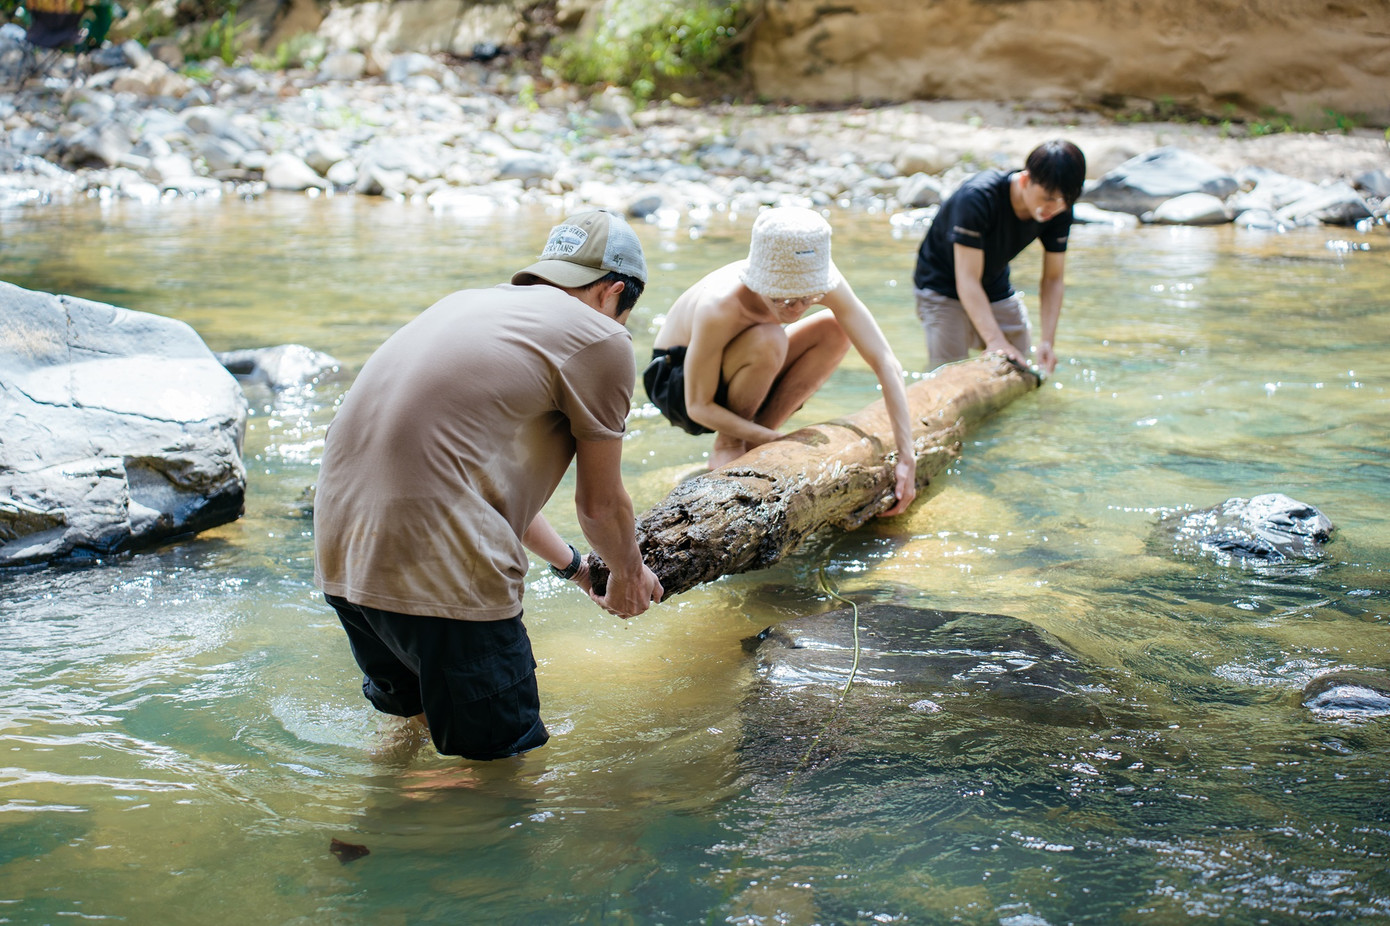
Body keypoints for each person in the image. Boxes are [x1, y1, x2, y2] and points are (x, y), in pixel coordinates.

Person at [313, 209, 664, 761]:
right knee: (500, 780)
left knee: (411, 734)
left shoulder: (467, 305)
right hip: (441, 580)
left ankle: (366, 837)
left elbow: (474, 484)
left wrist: (575, 568)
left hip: (344, 560)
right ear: (613, 292)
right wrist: (628, 574)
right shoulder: (600, 337)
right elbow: (599, 505)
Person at [644, 206, 917, 516]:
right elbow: (698, 406)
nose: (797, 309)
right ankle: (730, 444)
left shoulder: (822, 280)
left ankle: (753, 442)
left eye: (808, 297)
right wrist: (777, 439)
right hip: (678, 382)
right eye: (784, 298)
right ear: (760, 282)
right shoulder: (720, 305)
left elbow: (885, 361)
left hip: (746, 365)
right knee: (770, 337)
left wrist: (907, 456)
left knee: (836, 329)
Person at [912, 139, 1086, 376]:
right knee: (948, 371)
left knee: (1021, 364)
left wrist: (1047, 341)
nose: (1053, 208)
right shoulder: (977, 199)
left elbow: (1053, 279)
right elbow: (967, 279)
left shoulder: (1058, 209)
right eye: (1048, 198)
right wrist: (994, 340)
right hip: (941, 285)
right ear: (1025, 180)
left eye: (1064, 201)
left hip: (994, 284)